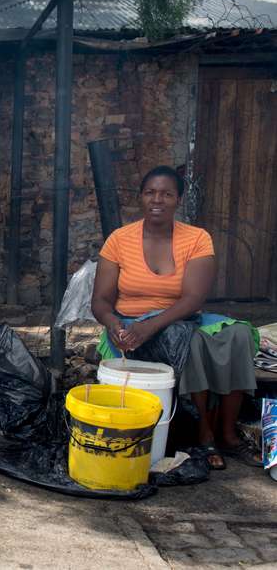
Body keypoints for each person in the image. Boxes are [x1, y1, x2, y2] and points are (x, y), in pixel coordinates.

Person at [91, 165, 261, 469]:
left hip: (177, 316)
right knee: (190, 342)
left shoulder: (197, 238)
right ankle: (204, 433)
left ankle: (228, 433)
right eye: (150, 192)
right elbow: (100, 301)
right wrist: (114, 323)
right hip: (130, 325)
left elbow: (194, 298)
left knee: (238, 335)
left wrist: (151, 325)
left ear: (178, 200)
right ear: (141, 198)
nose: (158, 199)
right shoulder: (119, 239)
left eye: (167, 194)